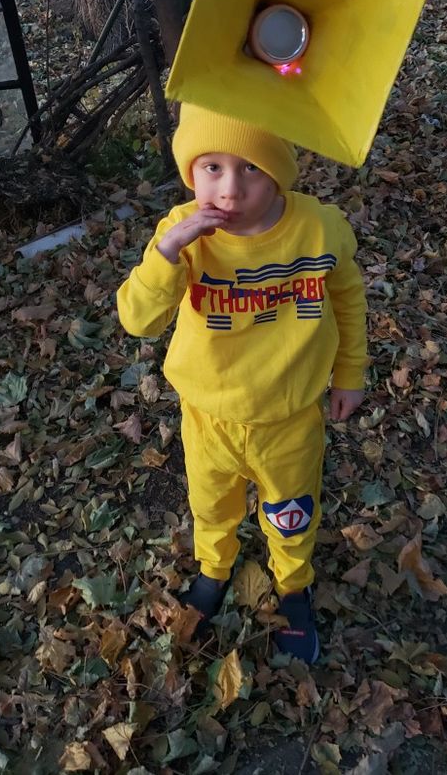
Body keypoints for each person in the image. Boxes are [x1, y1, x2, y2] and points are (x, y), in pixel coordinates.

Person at [116, 103, 367, 663]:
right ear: (190, 172)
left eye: (250, 167)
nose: (229, 190)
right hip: (209, 416)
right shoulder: (181, 234)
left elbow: (348, 299)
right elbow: (137, 320)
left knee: (292, 509)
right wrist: (166, 254)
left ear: (279, 168)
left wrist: (350, 373)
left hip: (290, 417)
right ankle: (214, 569)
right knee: (212, 504)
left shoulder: (320, 228)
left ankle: (293, 588)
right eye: (211, 168)